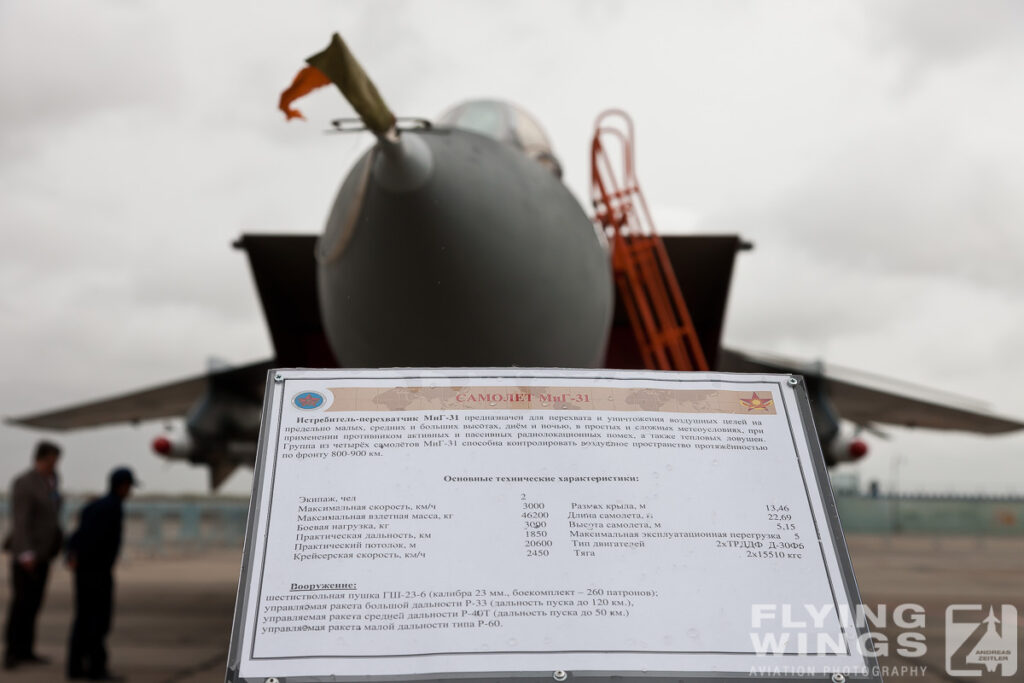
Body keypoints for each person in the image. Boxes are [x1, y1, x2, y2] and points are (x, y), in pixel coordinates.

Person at [66, 467, 136, 681]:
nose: (130, 492)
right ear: (122, 486)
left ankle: (75, 666)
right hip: (97, 571)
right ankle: (96, 667)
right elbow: (97, 540)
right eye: (129, 486)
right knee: (98, 620)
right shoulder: (112, 508)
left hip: (85, 570)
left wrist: (72, 556)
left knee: (83, 618)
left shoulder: (95, 506)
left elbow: (77, 535)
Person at [3, 440, 63, 670]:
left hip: (44, 553)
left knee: (35, 603)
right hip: (26, 554)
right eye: (54, 459)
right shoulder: (24, 483)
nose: (56, 464)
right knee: (21, 603)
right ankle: (12, 652)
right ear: (44, 458)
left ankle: (26, 649)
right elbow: (21, 521)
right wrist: (26, 552)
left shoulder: (52, 481)